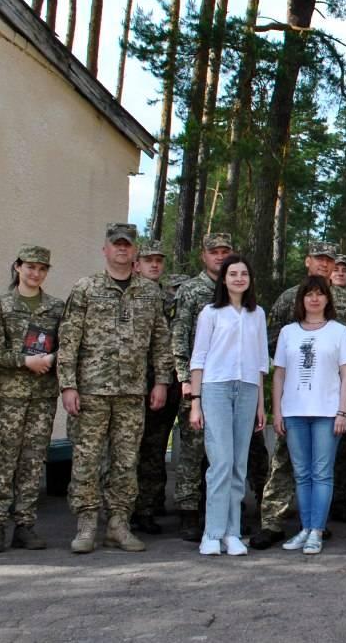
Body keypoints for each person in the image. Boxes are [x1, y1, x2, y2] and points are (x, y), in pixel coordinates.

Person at [57, 223, 172, 554]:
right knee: (87, 459)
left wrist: (161, 381)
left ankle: (118, 524)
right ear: (105, 250)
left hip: (132, 392)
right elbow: (69, 339)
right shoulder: (86, 288)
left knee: (126, 461)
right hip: (91, 390)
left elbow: (160, 340)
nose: (122, 248)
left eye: (127, 244)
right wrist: (68, 385)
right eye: (116, 244)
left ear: (134, 251)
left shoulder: (150, 293)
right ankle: (87, 523)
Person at [252, 242, 346, 549]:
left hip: (331, 399)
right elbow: (273, 342)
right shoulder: (289, 298)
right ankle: (274, 520)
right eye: (318, 258)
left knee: (330, 465)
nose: (324, 264)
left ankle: (321, 521)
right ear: (308, 261)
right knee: (286, 464)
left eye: (329, 260)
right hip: (295, 403)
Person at [0, 244, 65, 553]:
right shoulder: (1, 306)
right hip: (9, 398)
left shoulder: (56, 308)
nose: (36, 273)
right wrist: (24, 361)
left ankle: (25, 525)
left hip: (42, 397)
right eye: (30, 267)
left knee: (33, 460)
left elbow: (68, 344)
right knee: (3, 460)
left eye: (42, 269)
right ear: (18, 267)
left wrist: (52, 358)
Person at [188, 255, 269, 556]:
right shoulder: (211, 313)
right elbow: (198, 359)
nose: (238, 278)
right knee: (220, 462)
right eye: (232, 273)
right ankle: (212, 533)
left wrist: (261, 404)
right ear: (224, 279)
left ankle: (232, 533)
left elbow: (260, 362)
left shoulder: (257, 314)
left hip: (247, 389)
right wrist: (195, 402)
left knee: (238, 464)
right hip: (216, 389)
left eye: (243, 273)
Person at [271, 276, 346, 556]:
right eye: (309, 294)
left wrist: (342, 411)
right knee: (302, 473)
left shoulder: (339, 331)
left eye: (320, 294)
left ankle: (317, 530)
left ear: (328, 299)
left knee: (321, 473)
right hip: (294, 412)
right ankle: (305, 528)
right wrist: (277, 411)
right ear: (302, 299)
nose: (314, 299)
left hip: (327, 413)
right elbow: (279, 374)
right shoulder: (288, 332)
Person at [170, 233, 235, 541]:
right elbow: (179, 335)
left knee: (221, 450)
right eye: (214, 252)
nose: (219, 256)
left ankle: (218, 511)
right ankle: (188, 511)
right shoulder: (192, 290)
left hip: (227, 382)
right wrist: (184, 377)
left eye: (225, 251)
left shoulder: (235, 287)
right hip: (198, 381)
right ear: (203, 256)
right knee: (193, 450)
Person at [133, 241, 183, 534]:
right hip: (129, 383)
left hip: (163, 382)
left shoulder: (170, 299)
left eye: (159, 260)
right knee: (127, 450)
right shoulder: (127, 295)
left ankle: (148, 507)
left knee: (154, 446)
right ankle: (123, 507)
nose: (154, 265)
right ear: (136, 264)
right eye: (148, 260)